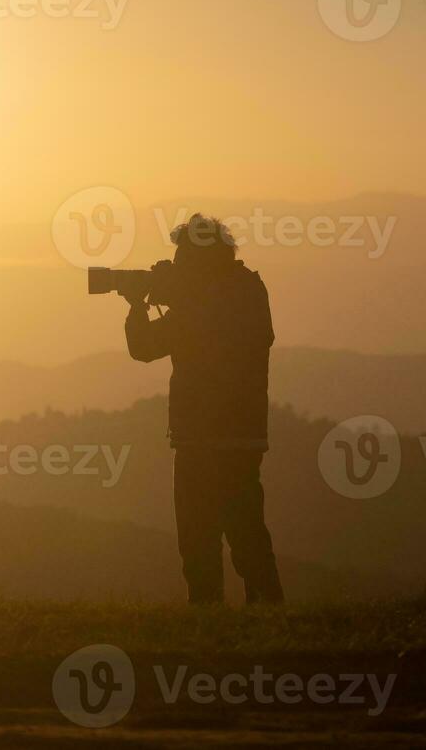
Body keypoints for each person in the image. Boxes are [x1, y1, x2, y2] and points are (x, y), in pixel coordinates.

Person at [123, 214, 284, 605]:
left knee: (203, 540)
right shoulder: (248, 290)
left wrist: (139, 307)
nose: (176, 268)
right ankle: (260, 618)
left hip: (205, 437)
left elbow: (145, 348)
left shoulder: (216, 300)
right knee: (242, 536)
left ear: (202, 260)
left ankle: (214, 620)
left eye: (182, 260)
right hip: (237, 436)